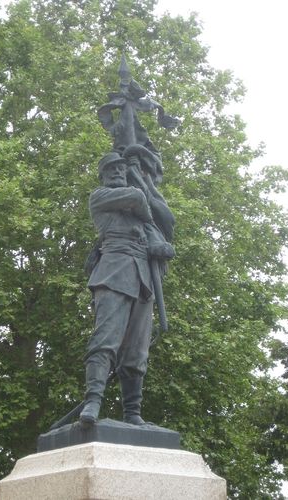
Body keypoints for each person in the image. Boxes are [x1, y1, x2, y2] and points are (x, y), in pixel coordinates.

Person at [79, 151, 174, 426]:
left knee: (136, 352)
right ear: (103, 175)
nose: (118, 172)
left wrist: (163, 247)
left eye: (121, 168)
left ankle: (133, 413)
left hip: (144, 283)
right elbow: (137, 198)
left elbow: (163, 241)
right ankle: (93, 403)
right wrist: (141, 193)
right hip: (113, 275)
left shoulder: (144, 223)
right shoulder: (99, 197)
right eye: (112, 169)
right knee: (105, 341)